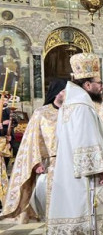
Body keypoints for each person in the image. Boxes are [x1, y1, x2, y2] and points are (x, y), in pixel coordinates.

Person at [48, 53, 103, 235]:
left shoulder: (70, 104)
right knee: (89, 216)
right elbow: (85, 144)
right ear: (87, 84)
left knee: (75, 214)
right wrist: (101, 170)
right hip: (86, 178)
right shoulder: (83, 106)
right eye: (98, 83)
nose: (101, 87)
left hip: (70, 174)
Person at [1, 79, 66, 223]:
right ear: (57, 93)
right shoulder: (41, 113)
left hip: (70, 161)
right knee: (52, 201)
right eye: (64, 90)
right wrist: (36, 163)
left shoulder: (72, 112)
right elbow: (31, 140)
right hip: (50, 163)